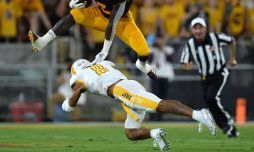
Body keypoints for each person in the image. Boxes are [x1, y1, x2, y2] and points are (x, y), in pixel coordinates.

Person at [28, 0, 158, 80]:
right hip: (101, 14)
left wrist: (104, 52)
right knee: (75, 13)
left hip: (121, 22)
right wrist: (78, 1)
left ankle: (142, 65)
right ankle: (42, 41)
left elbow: (112, 23)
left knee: (144, 52)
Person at [62, 59, 216, 151]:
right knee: (130, 132)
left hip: (122, 90)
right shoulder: (102, 63)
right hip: (128, 86)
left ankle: (199, 114)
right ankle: (154, 134)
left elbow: (69, 106)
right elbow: (110, 66)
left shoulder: (78, 77)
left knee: (158, 105)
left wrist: (79, 90)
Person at [180, 17, 239, 138]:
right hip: (204, 77)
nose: (198, 30)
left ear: (205, 28)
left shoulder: (215, 37)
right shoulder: (190, 44)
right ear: (192, 31)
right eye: (195, 28)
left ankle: (228, 117)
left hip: (219, 73)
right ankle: (228, 128)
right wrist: (187, 67)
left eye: (200, 27)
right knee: (209, 102)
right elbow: (183, 64)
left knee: (212, 97)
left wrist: (232, 58)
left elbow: (231, 40)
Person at [148, 33, 175, 121]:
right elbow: (150, 59)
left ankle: (159, 117)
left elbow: (170, 59)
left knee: (163, 97)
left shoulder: (168, 49)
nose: (160, 41)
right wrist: (155, 49)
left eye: (161, 39)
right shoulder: (152, 49)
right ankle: (152, 117)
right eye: (158, 39)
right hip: (155, 75)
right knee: (154, 96)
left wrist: (162, 49)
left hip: (165, 75)